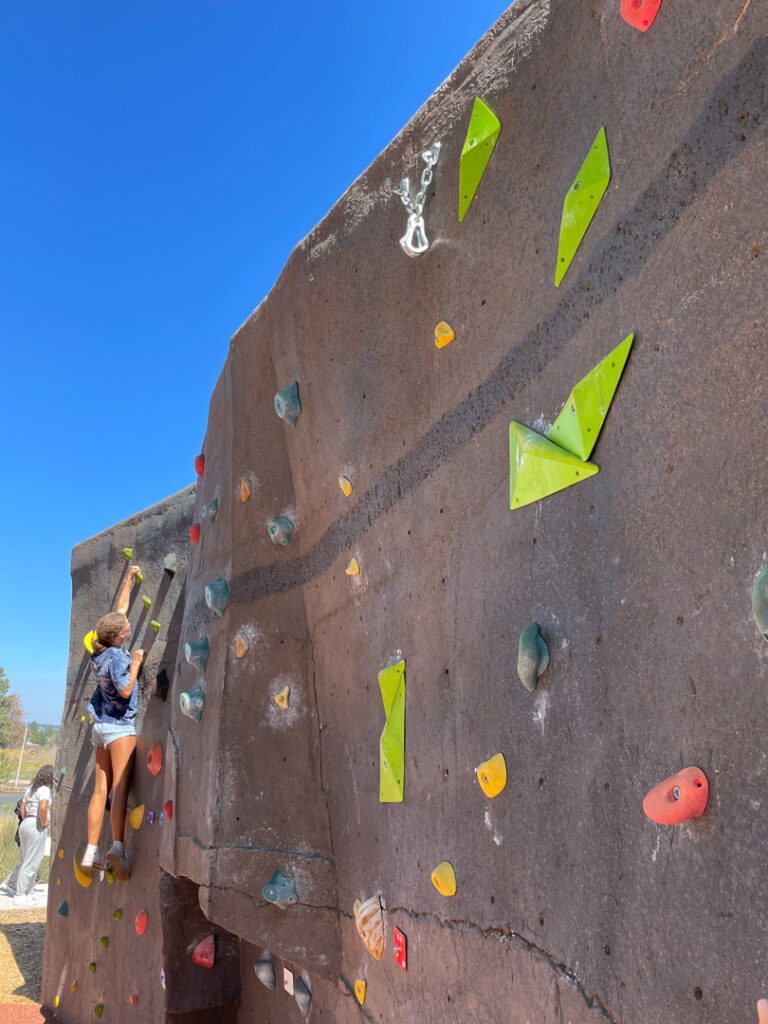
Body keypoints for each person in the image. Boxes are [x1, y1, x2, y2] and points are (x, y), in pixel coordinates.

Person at [81, 564, 143, 880]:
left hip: (99, 729)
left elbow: (118, 612)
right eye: (126, 628)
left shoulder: (100, 652)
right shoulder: (120, 657)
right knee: (120, 788)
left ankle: (91, 852)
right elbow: (126, 688)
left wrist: (129, 579)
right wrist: (136, 663)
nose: (128, 626)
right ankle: (117, 847)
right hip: (119, 728)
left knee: (99, 790)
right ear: (120, 636)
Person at [2, 764, 55, 907]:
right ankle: (20, 894)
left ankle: (29, 893)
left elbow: (23, 807)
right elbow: (43, 807)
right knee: (32, 862)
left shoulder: (31, 789)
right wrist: (44, 822)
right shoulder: (44, 790)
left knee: (27, 858)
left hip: (25, 824)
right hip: (36, 825)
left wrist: (27, 819)